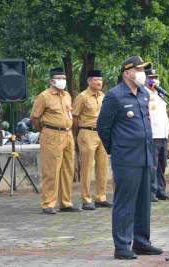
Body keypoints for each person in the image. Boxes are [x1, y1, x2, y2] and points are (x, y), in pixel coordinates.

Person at [97, 56, 163, 260]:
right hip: (126, 158)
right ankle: (122, 245)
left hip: (145, 155)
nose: (142, 73)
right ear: (127, 73)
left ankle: (141, 242)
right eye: (138, 69)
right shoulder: (114, 96)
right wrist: (116, 149)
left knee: (144, 202)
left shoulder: (144, 94)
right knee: (125, 202)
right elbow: (103, 127)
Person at [30, 67, 80, 215]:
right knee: (51, 170)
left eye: (64, 78)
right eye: (59, 78)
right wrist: (45, 131)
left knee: (67, 169)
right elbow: (35, 118)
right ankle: (48, 203)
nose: (62, 81)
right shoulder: (44, 96)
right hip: (52, 134)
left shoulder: (67, 95)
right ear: (51, 80)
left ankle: (65, 202)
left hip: (68, 135)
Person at [72, 69, 111, 210]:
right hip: (87, 133)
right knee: (87, 167)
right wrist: (79, 133)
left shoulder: (103, 96)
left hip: (102, 134)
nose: (99, 82)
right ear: (89, 81)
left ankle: (101, 197)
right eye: (95, 80)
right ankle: (86, 199)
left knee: (103, 167)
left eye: (100, 80)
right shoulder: (82, 97)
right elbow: (75, 117)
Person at [144, 65, 169, 202]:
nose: (154, 80)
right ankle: (152, 192)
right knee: (152, 165)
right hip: (153, 135)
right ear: (145, 79)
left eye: (155, 78)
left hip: (163, 134)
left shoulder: (160, 94)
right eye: (151, 78)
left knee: (162, 165)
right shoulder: (144, 94)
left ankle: (161, 190)